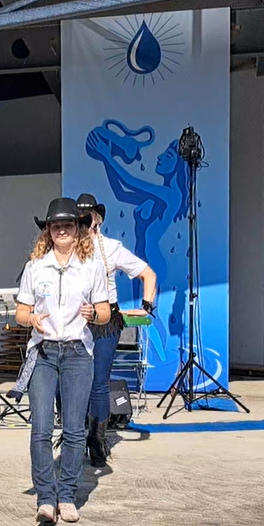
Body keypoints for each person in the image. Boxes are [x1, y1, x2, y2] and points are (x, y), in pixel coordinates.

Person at [14, 197, 112, 526]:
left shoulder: (91, 266)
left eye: (67, 225)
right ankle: (45, 497)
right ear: (48, 230)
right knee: (41, 428)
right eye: (55, 226)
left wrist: (93, 313)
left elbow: (105, 312)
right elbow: (21, 312)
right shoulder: (35, 266)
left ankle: (67, 495)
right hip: (43, 352)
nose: (62, 231)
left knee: (73, 429)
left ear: (78, 228)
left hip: (77, 353)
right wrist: (32, 320)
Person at [76, 193, 157, 468]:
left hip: (105, 318)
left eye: (88, 217)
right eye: (79, 217)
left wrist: (146, 306)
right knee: (69, 381)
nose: (84, 222)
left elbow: (148, 273)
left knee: (99, 381)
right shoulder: (67, 247)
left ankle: (96, 440)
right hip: (74, 319)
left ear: (97, 219)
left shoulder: (111, 248)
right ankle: (74, 435)